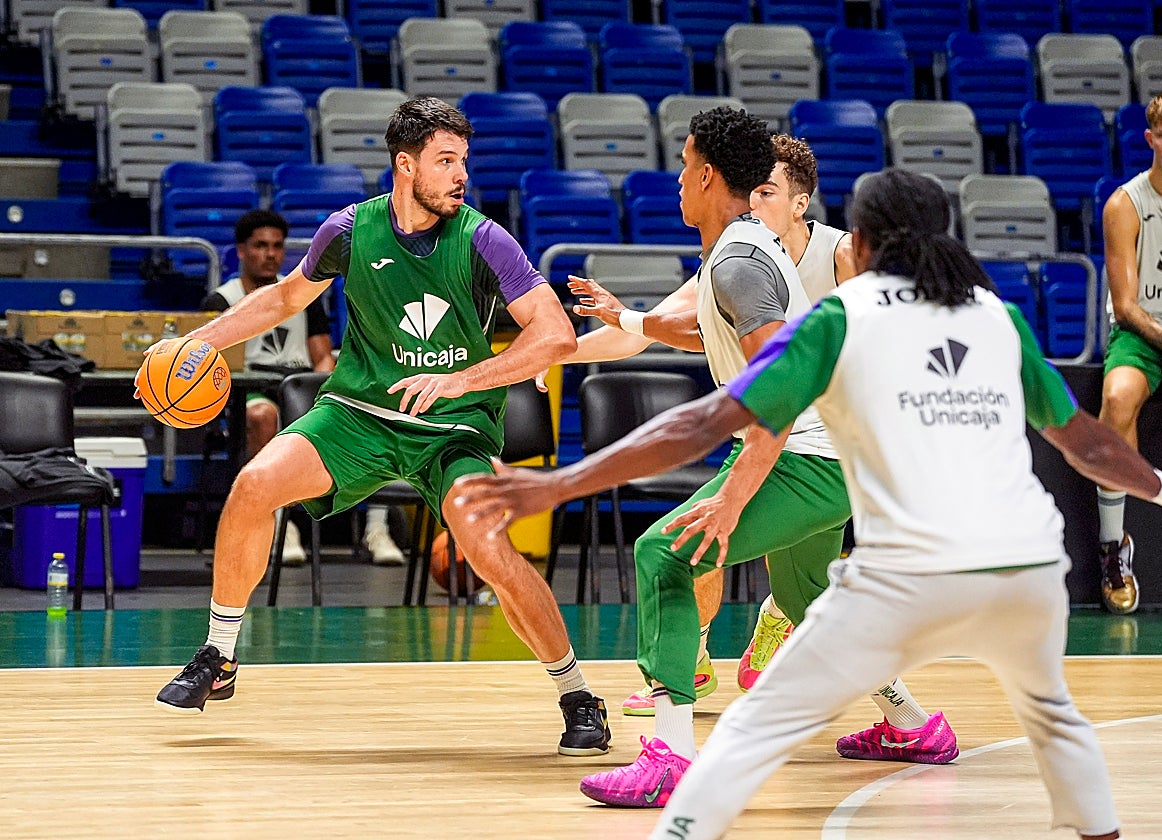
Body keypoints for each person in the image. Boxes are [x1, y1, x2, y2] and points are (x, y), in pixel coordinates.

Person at [455, 168, 1162, 839]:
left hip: (909, 577)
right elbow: (1084, 441)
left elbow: (705, 421)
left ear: (863, 241)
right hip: (1031, 572)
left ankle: (673, 789)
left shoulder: (841, 316)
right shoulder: (993, 315)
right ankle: (947, 744)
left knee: (745, 725)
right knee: (1057, 723)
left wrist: (557, 484)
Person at [152, 97, 611, 758]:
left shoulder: (484, 239)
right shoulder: (348, 230)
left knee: (487, 548)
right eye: (445, 161)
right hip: (358, 414)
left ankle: (577, 696)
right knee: (253, 486)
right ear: (405, 164)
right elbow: (284, 297)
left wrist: (463, 380)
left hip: (451, 429)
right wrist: (200, 342)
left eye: (464, 161)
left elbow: (556, 332)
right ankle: (218, 657)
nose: (461, 176)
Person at [547, 108, 952, 809]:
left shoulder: (739, 258)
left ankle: (670, 756)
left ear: (706, 176)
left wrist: (731, 498)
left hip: (813, 452)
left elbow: (782, 385)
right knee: (808, 599)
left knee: (665, 554)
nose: (676, 179)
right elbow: (693, 328)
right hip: (834, 452)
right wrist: (593, 334)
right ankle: (914, 725)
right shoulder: (736, 253)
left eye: (681, 166)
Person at [203, 210, 406, 567]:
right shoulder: (221, 300)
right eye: (261, 246)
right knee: (263, 415)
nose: (270, 254)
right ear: (240, 250)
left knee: (378, 412)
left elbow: (323, 358)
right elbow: (215, 367)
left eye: (278, 247)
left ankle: (377, 529)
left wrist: (324, 395)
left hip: (298, 389)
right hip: (249, 392)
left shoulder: (302, 293)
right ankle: (283, 527)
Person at [1097, 87, 1162, 615]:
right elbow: (1126, 304)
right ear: (1149, 139)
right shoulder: (1126, 203)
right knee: (1116, 401)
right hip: (1144, 336)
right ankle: (1114, 548)